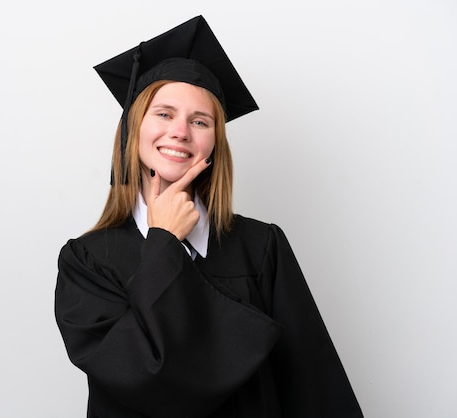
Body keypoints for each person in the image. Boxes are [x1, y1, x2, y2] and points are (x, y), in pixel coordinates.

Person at [55, 15, 363, 418]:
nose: (180, 131)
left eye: (200, 121)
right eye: (163, 114)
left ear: (213, 142)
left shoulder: (260, 246)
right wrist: (164, 239)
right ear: (133, 128)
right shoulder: (88, 260)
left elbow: (312, 383)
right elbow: (136, 375)